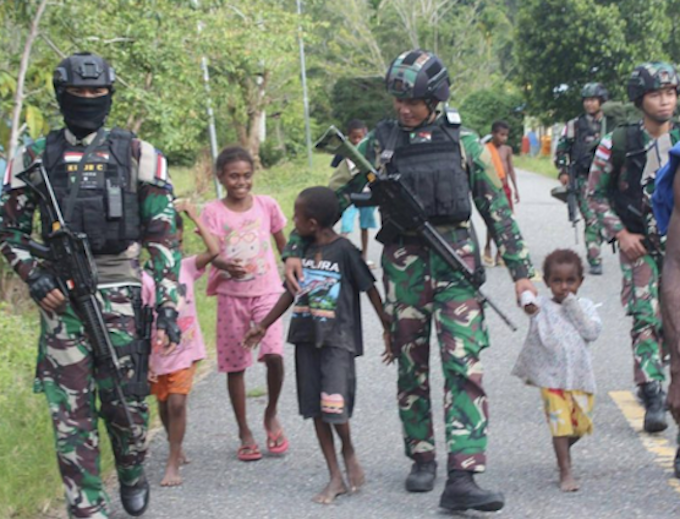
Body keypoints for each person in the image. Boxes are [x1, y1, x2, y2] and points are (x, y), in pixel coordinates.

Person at [283, 49, 537, 512]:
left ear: (436, 97)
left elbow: (496, 209)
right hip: (403, 267)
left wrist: (522, 275)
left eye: (414, 100)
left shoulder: (463, 141)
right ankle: (421, 456)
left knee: (465, 366)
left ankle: (464, 474)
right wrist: (293, 249)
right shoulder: (377, 144)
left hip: (456, 264)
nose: (404, 108)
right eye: (398, 98)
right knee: (410, 367)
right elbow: (323, 202)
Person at [0, 52, 181, 518]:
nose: (87, 100)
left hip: (120, 296)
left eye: (96, 92)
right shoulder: (34, 155)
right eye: (78, 93)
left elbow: (164, 237)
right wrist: (34, 276)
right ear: (62, 96)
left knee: (126, 408)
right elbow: (9, 231)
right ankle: (87, 507)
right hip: (62, 302)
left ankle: (133, 468)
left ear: (109, 95)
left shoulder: (139, 154)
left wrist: (166, 306)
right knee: (71, 415)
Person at [244, 186, 390, 504]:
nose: (292, 221)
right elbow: (290, 292)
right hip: (306, 338)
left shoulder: (346, 252)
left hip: (339, 341)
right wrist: (263, 325)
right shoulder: (303, 251)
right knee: (316, 410)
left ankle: (348, 448)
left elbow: (370, 289)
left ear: (311, 222)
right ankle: (334, 475)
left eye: (296, 216)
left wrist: (387, 330)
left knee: (334, 408)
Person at [588, 62, 680, 434]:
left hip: (676, 246)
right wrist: (620, 234)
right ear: (639, 99)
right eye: (656, 94)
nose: (665, 101)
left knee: (674, 321)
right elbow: (593, 194)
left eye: (671, 93)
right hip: (639, 245)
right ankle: (652, 391)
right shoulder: (619, 143)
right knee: (645, 316)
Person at [199, 145, 289, 462]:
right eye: (234, 176)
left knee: (274, 354)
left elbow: (284, 247)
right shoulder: (212, 211)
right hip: (230, 297)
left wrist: (296, 270)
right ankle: (244, 431)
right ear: (221, 177)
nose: (241, 182)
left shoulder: (267, 206)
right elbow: (211, 252)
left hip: (268, 293)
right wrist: (223, 265)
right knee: (235, 366)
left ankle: (271, 414)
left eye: (247, 176)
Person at [141, 199, 219, 486]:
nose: (173, 249)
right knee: (163, 402)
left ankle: (172, 461)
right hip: (157, 353)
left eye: (178, 242)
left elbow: (215, 251)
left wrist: (194, 216)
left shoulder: (186, 267)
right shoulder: (143, 278)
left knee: (176, 403)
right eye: (166, 243)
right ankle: (176, 443)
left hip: (185, 350)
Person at [512, 249, 601, 492]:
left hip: (580, 378)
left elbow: (590, 332)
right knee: (560, 424)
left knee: (581, 425)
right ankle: (565, 469)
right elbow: (527, 299)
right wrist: (527, 299)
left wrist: (572, 304)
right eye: (557, 281)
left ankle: (562, 446)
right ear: (548, 282)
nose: (564, 287)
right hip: (552, 379)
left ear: (580, 282)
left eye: (570, 281)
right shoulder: (542, 307)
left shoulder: (585, 306)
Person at [555, 83, 609, 275]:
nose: (589, 104)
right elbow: (562, 148)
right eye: (586, 100)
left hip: (606, 179)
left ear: (601, 101)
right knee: (592, 219)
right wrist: (563, 171)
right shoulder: (574, 125)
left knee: (604, 220)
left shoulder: (609, 124)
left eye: (593, 100)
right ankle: (595, 258)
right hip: (582, 179)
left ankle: (597, 246)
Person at [332, 120, 378, 267]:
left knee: (365, 226)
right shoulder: (345, 151)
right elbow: (337, 174)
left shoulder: (371, 150)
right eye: (354, 138)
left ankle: (364, 257)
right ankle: (339, 257)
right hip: (350, 194)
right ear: (348, 137)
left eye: (360, 137)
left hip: (368, 194)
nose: (357, 140)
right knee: (346, 226)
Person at [483, 120, 519, 267]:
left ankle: (500, 253)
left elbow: (510, 169)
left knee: (505, 220)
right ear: (493, 134)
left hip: (505, 187)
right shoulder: (485, 149)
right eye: (501, 135)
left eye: (506, 135)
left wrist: (516, 189)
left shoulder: (507, 150)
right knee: (492, 220)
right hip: (491, 187)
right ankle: (487, 247)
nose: (504, 138)